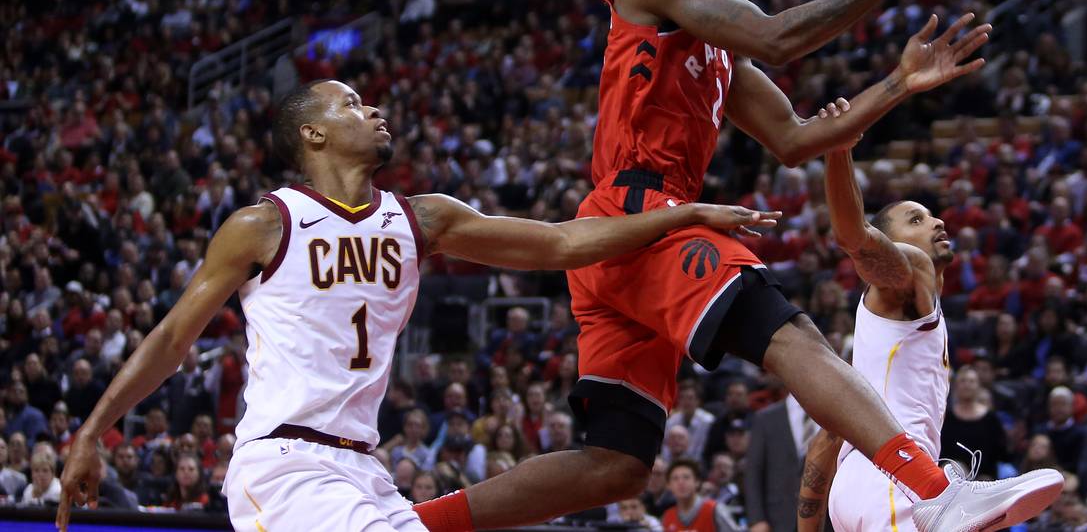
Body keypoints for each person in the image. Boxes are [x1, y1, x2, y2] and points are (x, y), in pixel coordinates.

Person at [416, 0, 1021, 532]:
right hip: (638, 213)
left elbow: (794, 139)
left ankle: (414, 524)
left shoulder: (708, 44)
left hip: (617, 233)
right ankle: (934, 491)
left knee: (614, 463)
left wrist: (900, 83)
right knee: (791, 335)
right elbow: (777, 37)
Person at [56, 79, 776, 532]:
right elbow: (173, 337)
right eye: (350, 104)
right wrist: (93, 430)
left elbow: (562, 241)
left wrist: (679, 216)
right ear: (312, 133)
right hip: (284, 463)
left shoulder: (422, 218)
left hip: (367, 470)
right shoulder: (264, 224)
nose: (372, 111)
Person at [798, 144, 1062, 532]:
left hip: (861, 489)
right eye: (916, 219)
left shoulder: (888, 333)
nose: (937, 222)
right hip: (892, 481)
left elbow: (825, 443)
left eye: (933, 215)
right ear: (890, 241)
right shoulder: (906, 275)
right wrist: (839, 150)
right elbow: (852, 236)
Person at [660, 458, 739, 532]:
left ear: (697, 482)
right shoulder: (667, 517)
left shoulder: (714, 510)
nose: (681, 483)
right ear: (668, 485)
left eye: (686, 477)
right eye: (675, 478)